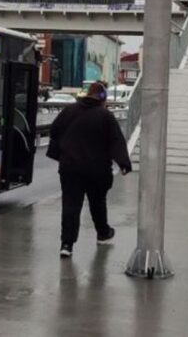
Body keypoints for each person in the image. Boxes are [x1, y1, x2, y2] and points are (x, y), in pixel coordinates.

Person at [47, 82, 132, 258]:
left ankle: (67, 244)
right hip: (97, 169)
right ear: (102, 97)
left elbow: (54, 130)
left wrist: (60, 153)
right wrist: (123, 163)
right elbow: (116, 140)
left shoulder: (69, 111)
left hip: (70, 168)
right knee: (97, 203)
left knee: (70, 204)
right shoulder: (105, 115)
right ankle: (103, 233)